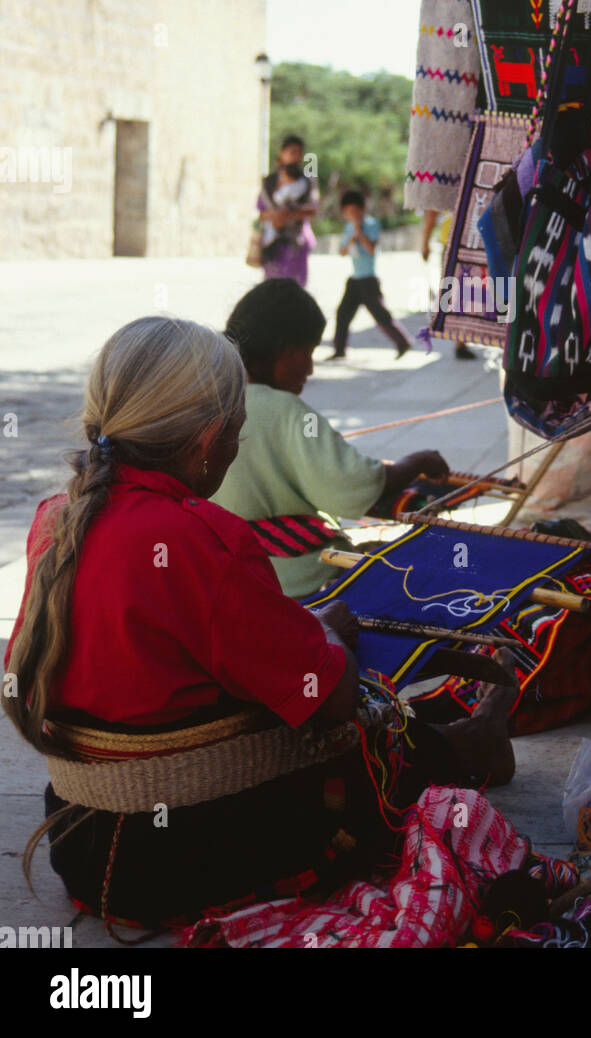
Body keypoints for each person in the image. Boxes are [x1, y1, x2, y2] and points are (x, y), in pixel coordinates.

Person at [2, 316, 514, 931]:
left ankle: (452, 736)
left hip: (84, 851)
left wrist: (302, 632)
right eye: (238, 436)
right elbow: (331, 700)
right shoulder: (205, 540)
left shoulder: (55, 519)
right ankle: (466, 747)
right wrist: (329, 637)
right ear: (208, 441)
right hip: (187, 860)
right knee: (366, 725)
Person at [215, 279, 449, 599]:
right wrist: (417, 462)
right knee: (419, 574)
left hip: (220, 574)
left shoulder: (208, 401)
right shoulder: (289, 412)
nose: (310, 369)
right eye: (308, 353)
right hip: (298, 578)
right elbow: (351, 487)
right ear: (285, 350)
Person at [328, 189, 411, 360]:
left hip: (369, 279)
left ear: (362, 210)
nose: (352, 215)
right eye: (348, 212)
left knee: (381, 316)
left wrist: (360, 231)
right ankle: (339, 349)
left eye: (355, 211)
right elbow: (343, 252)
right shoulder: (348, 228)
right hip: (354, 280)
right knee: (343, 314)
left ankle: (403, 342)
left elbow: (371, 249)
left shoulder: (372, 224)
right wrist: (352, 236)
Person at [257, 135, 318, 287]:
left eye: (298, 152)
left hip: (296, 243)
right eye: (291, 152)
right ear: (282, 153)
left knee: (294, 289)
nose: (295, 156)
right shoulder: (269, 183)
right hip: (273, 243)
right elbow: (261, 213)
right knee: (272, 289)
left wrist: (288, 214)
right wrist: (275, 215)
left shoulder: (308, 181)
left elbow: (313, 209)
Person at [420, 208, 477, 361]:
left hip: (465, 244)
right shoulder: (450, 186)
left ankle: (461, 340)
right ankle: (460, 340)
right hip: (456, 246)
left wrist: (425, 243)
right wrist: (425, 243)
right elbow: (432, 212)